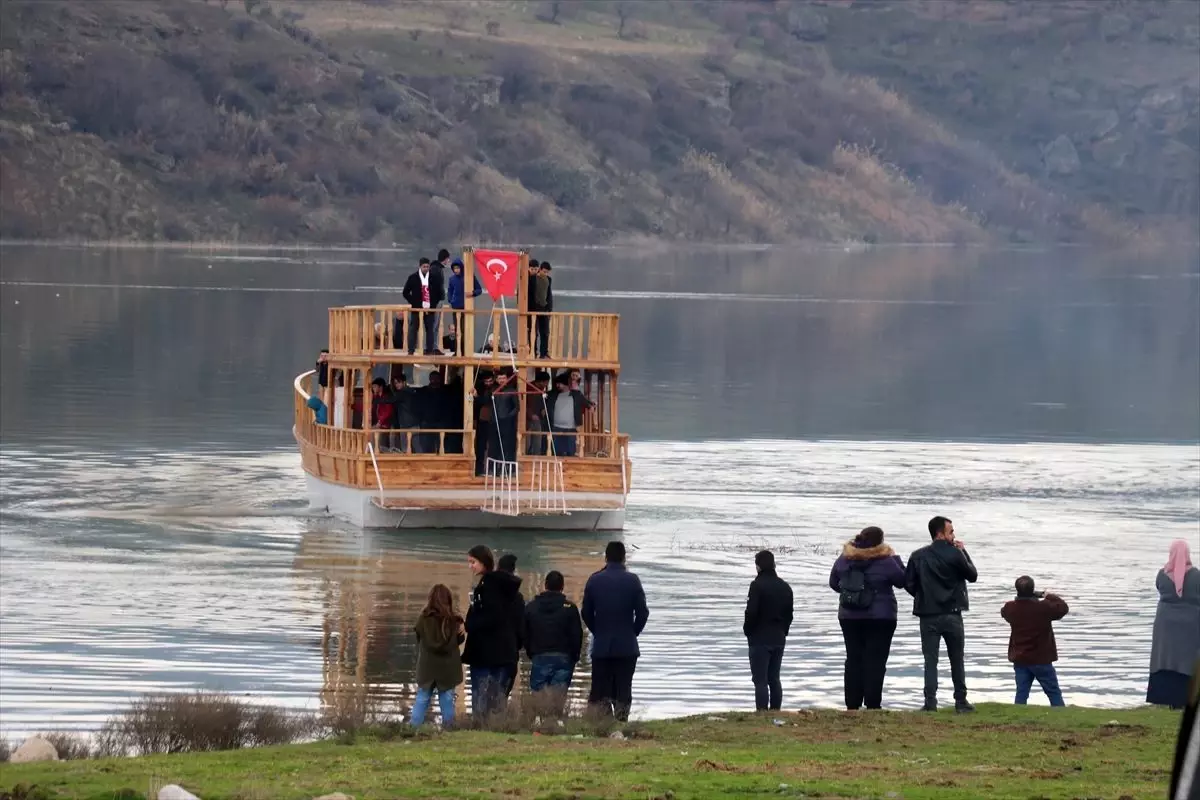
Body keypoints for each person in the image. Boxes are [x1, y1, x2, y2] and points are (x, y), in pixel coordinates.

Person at [905, 515, 978, 713]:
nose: (953, 535)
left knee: (930, 660)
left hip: (928, 614)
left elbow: (909, 583)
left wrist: (924, 595)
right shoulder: (955, 554)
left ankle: (930, 702)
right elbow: (972, 575)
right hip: (952, 613)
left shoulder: (917, 556)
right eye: (951, 531)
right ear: (940, 533)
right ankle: (961, 701)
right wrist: (964, 551)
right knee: (957, 658)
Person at [829, 526, 906, 711]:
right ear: (880, 541)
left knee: (853, 659)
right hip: (881, 617)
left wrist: (852, 593)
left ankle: (852, 704)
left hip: (849, 616)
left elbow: (833, 582)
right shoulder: (886, 561)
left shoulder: (844, 559)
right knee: (876, 660)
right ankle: (872, 704)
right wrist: (896, 557)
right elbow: (903, 581)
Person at [582, 541, 649, 721]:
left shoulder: (594, 580)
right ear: (624, 558)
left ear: (606, 557)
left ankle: (603, 724)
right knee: (624, 688)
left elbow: (586, 613)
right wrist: (632, 632)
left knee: (600, 689)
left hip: (602, 646)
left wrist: (598, 630)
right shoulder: (633, 580)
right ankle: (621, 721)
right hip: (627, 646)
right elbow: (643, 613)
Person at [461, 545, 522, 719]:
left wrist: (468, 625)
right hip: (504, 652)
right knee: (497, 699)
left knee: (480, 697)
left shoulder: (488, 587)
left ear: (483, 562)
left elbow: (491, 616)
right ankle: (495, 726)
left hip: (484, 652)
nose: (470, 566)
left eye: (473, 562)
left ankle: (479, 728)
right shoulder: (508, 592)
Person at [1000, 576, 1068, 707]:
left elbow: (1004, 612)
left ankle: (1018, 717)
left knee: (1021, 693)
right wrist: (1047, 595)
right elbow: (1063, 608)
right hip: (1041, 659)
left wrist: (1021, 598)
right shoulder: (1044, 607)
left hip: (1020, 658)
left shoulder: (1011, 608)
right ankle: (1060, 716)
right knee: (1053, 692)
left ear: (1017, 590)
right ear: (1032, 589)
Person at [1149, 539, 1200, 709]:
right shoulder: (1196, 575)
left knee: (1165, 658)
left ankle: (1166, 699)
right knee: (1188, 660)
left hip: (1165, 625)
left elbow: (1159, 589)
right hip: (1191, 624)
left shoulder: (1161, 575)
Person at [743, 550, 793, 712]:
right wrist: (783, 631)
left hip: (759, 637)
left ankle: (762, 712)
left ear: (757, 567)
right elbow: (789, 614)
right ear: (774, 565)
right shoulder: (785, 587)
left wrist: (748, 631)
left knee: (760, 680)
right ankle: (776, 710)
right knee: (774, 678)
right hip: (778, 636)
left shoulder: (756, 586)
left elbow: (751, 612)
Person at [524, 570, 583, 706]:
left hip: (539, 655)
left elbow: (525, 633)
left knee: (539, 697)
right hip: (564, 658)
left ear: (545, 585)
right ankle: (555, 722)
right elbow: (576, 635)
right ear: (562, 587)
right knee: (558, 697)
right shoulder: (570, 608)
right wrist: (574, 657)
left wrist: (531, 652)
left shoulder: (531, 607)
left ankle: (538, 722)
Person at [411, 584, 465, 728]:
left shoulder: (422, 619)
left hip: (427, 667)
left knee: (422, 698)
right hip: (448, 669)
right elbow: (459, 640)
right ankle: (449, 729)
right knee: (447, 699)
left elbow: (419, 639)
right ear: (448, 600)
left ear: (431, 599)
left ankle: (413, 728)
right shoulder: (455, 622)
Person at [497, 554, 525, 700]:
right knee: (502, 695)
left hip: (490, 653)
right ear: (513, 571)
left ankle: (483, 721)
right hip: (510, 651)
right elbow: (521, 626)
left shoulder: (486, 591)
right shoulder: (518, 598)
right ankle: (499, 720)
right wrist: (518, 645)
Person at [402, 258, 445, 355]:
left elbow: (440, 293)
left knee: (430, 329)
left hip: (429, 308)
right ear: (420, 267)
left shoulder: (434, 278)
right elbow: (405, 292)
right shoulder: (413, 277)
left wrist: (433, 303)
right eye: (424, 266)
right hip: (416, 308)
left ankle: (429, 350)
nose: (426, 268)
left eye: (427, 267)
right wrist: (414, 302)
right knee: (413, 329)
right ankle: (411, 350)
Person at [545, 372, 593, 457]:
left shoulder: (576, 395)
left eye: (559, 383)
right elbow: (545, 397)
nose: (557, 385)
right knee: (556, 452)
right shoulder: (553, 394)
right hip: (556, 427)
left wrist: (591, 407)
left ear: (565, 383)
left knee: (570, 452)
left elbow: (588, 404)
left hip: (570, 429)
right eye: (557, 383)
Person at [529, 260, 554, 358]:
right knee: (534, 332)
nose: (545, 273)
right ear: (540, 270)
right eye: (544, 271)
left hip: (544, 308)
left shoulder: (548, 280)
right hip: (534, 308)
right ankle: (534, 352)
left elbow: (549, 295)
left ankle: (544, 353)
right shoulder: (533, 278)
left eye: (547, 272)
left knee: (545, 332)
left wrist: (549, 308)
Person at [525, 370, 551, 455]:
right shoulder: (527, 387)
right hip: (526, 421)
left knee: (537, 443)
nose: (546, 385)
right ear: (541, 381)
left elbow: (542, 402)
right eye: (546, 382)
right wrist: (531, 414)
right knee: (527, 443)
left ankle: (536, 458)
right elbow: (524, 404)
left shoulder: (542, 390)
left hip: (537, 419)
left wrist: (543, 408)